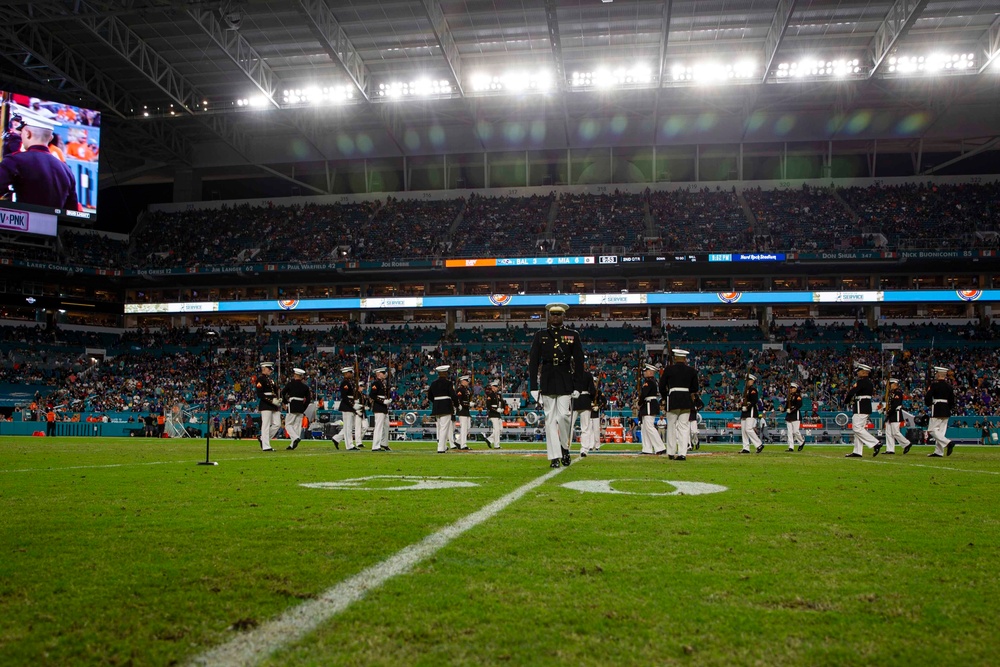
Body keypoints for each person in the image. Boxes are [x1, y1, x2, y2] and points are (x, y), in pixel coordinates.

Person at [527, 302, 586, 468]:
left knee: (563, 417)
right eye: (553, 314)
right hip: (547, 379)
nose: (555, 317)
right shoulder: (540, 336)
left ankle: (564, 447)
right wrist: (532, 386)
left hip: (565, 379)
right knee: (549, 420)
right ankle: (554, 456)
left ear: (564, 316)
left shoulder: (572, 335)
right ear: (548, 316)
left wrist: (578, 386)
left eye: (559, 314)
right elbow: (533, 362)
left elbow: (580, 362)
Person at [0, 109, 78, 210]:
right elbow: (72, 212)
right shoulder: (67, 170)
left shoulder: (15, 160)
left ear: (28, 133)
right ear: (50, 138)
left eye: (22, 132)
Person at [660, 348, 699, 460]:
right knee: (684, 427)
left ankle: (671, 452)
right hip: (686, 399)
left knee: (671, 426)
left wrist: (665, 397)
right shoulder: (691, 371)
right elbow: (695, 388)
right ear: (685, 358)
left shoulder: (669, 369)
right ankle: (683, 453)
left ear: (675, 358)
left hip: (673, 399)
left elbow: (662, 386)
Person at [844, 362, 882, 458]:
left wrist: (846, 401)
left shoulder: (862, 382)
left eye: (859, 371)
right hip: (864, 406)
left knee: (856, 428)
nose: (858, 373)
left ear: (865, 372)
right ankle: (857, 451)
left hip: (861, 407)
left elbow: (852, 392)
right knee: (859, 429)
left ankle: (875, 443)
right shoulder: (868, 382)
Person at [924, 366, 956, 457]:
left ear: (938, 374)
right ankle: (939, 452)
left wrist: (928, 403)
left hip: (937, 408)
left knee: (931, 430)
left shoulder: (934, 385)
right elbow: (952, 400)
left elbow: (928, 396)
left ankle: (948, 443)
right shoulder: (949, 386)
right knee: (941, 432)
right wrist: (949, 408)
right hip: (946, 408)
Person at [428, 364, 459, 453]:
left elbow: (430, 396)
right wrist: (457, 404)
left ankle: (443, 446)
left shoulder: (433, 383)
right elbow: (453, 395)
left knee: (440, 427)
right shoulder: (448, 383)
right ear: (445, 373)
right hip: (446, 407)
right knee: (444, 428)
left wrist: (436, 402)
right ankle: (441, 448)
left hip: (437, 407)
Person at [638, 363, 667, 456]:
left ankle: (660, 447)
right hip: (648, 404)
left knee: (649, 426)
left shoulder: (649, 382)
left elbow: (644, 394)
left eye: (646, 371)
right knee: (645, 427)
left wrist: (639, 403)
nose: (644, 373)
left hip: (649, 404)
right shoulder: (651, 381)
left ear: (650, 372)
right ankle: (647, 448)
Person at [281, 367, 312, 450]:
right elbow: (308, 399)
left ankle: (295, 438)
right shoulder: (305, 387)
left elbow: (282, 393)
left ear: (295, 375)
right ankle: (292, 444)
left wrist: (285, 402)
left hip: (292, 405)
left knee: (288, 424)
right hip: (301, 407)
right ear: (301, 376)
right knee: (297, 425)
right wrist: (303, 407)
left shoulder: (290, 384)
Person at [255, 362, 281, 452]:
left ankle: (263, 438)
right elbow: (260, 394)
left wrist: (278, 398)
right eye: (269, 369)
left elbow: (275, 390)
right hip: (266, 403)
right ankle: (266, 446)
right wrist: (271, 400)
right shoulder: (260, 379)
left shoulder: (271, 380)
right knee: (265, 425)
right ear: (264, 369)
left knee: (277, 424)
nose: (270, 371)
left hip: (273, 404)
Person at [574, 359, 597, 457]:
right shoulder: (588, 375)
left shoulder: (572, 375)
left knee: (569, 427)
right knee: (585, 427)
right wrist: (590, 399)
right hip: (585, 401)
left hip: (574, 401)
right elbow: (592, 390)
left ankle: (565, 448)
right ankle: (584, 449)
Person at [883, 377, 911, 455]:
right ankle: (890, 449)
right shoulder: (892, 393)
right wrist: (885, 409)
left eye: (890, 384)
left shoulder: (898, 392)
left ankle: (906, 443)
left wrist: (888, 411)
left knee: (895, 432)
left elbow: (895, 404)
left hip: (896, 414)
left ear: (894, 384)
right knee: (888, 432)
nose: (889, 386)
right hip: (891, 414)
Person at [334, 366, 359, 451]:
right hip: (347, 406)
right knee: (348, 427)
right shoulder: (345, 383)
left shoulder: (349, 382)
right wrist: (352, 404)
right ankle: (349, 445)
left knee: (349, 426)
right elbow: (344, 396)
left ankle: (337, 438)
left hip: (349, 406)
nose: (351, 374)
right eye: (350, 373)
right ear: (346, 373)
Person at [738, 373, 764, 454]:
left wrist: (747, 407)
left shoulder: (753, 390)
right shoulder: (745, 390)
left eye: (749, 380)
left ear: (752, 381)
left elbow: (754, 401)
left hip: (751, 411)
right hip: (745, 411)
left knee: (748, 428)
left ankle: (759, 444)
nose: (748, 382)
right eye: (747, 380)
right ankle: (746, 447)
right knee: (743, 430)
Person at [369, 367, 391, 451]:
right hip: (379, 406)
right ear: (378, 374)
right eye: (382, 373)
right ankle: (375, 446)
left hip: (383, 407)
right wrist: (383, 401)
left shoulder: (382, 383)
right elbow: (372, 395)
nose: (384, 374)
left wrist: (388, 400)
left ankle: (384, 443)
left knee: (386, 426)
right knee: (378, 427)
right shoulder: (376, 383)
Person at [785, 382, 806, 452]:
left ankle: (802, 441)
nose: (791, 389)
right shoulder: (789, 396)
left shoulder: (798, 396)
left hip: (795, 415)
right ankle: (791, 447)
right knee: (789, 432)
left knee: (795, 431)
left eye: (793, 388)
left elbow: (799, 405)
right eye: (790, 388)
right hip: (789, 416)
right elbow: (787, 405)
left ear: (796, 389)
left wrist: (791, 409)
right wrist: (783, 410)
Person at [455, 374, 473, 450]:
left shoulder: (467, 390)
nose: (467, 382)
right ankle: (463, 445)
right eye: (466, 381)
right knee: (464, 428)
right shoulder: (459, 390)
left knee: (468, 427)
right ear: (462, 381)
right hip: (462, 410)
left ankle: (458, 441)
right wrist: (468, 404)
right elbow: (459, 400)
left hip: (466, 410)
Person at [485, 379, 503, 450]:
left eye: (496, 387)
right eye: (494, 387)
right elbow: (488, 406)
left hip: (498, 414)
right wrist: (496, 410)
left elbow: (502, 402)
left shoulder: (498, 395)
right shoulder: (490, 395)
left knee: (500, 429)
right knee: (497, 429)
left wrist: (502, 408)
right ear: (492, 387)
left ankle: (489, 439)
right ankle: (496, 445)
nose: (496, 388)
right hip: (493, 414)